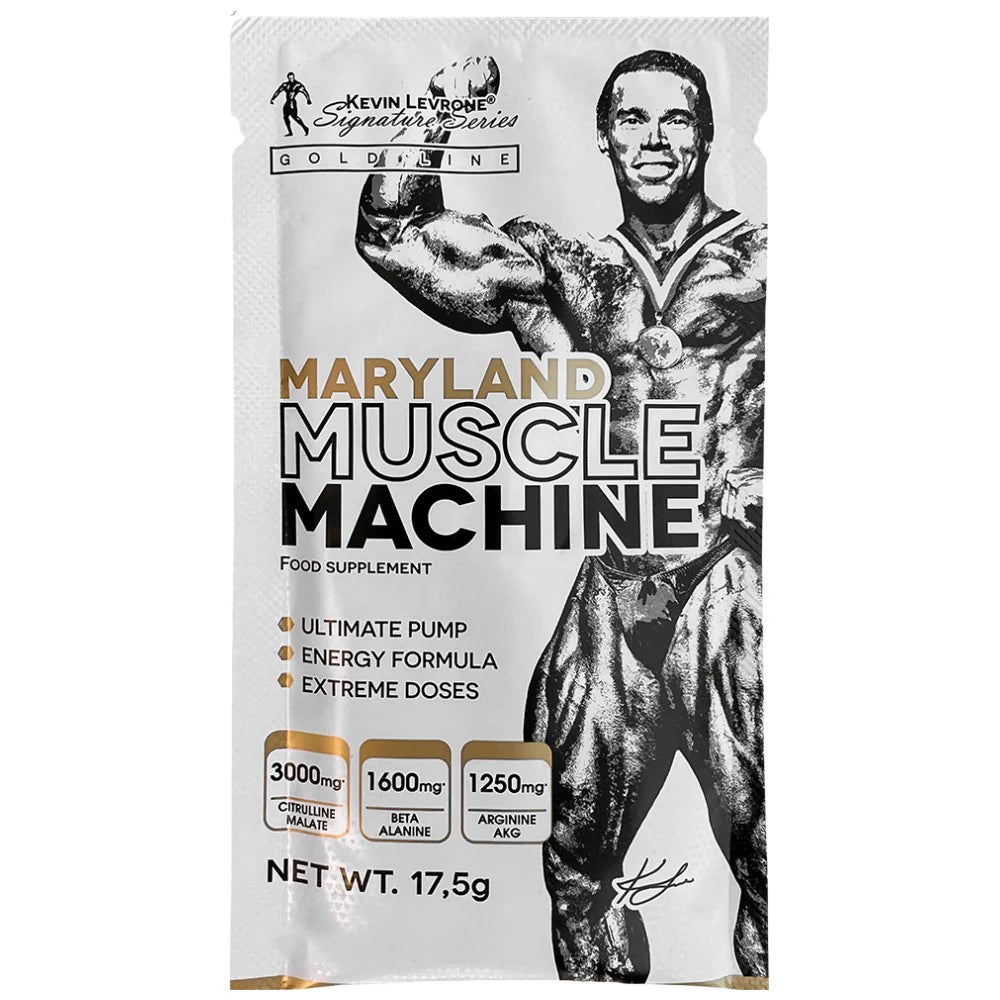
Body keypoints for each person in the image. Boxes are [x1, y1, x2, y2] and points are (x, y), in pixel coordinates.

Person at [356, 52, 767, 982]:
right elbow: (392, 234)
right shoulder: (566, 274)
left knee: (780, 862)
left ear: (706, 137)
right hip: (612, 586)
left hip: (731, 582)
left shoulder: (767, 260)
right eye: (632, 120)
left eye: (675, 120)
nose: (653, 140)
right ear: (604, 138)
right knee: (574, 861)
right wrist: (437, 107)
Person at [270, 72, 311, 137]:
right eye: (290, 78)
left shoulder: (297, 85)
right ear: (288, 78)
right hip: (287, 103)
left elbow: (304, 92)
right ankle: (290, 132)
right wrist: (273, 98)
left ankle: (305, 128)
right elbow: (278, 91)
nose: (291, 79)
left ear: (294, 77)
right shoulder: (285, 85)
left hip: (292, 103)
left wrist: (308, 100)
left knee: (294, 117)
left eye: (292, 78)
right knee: (285, 117)